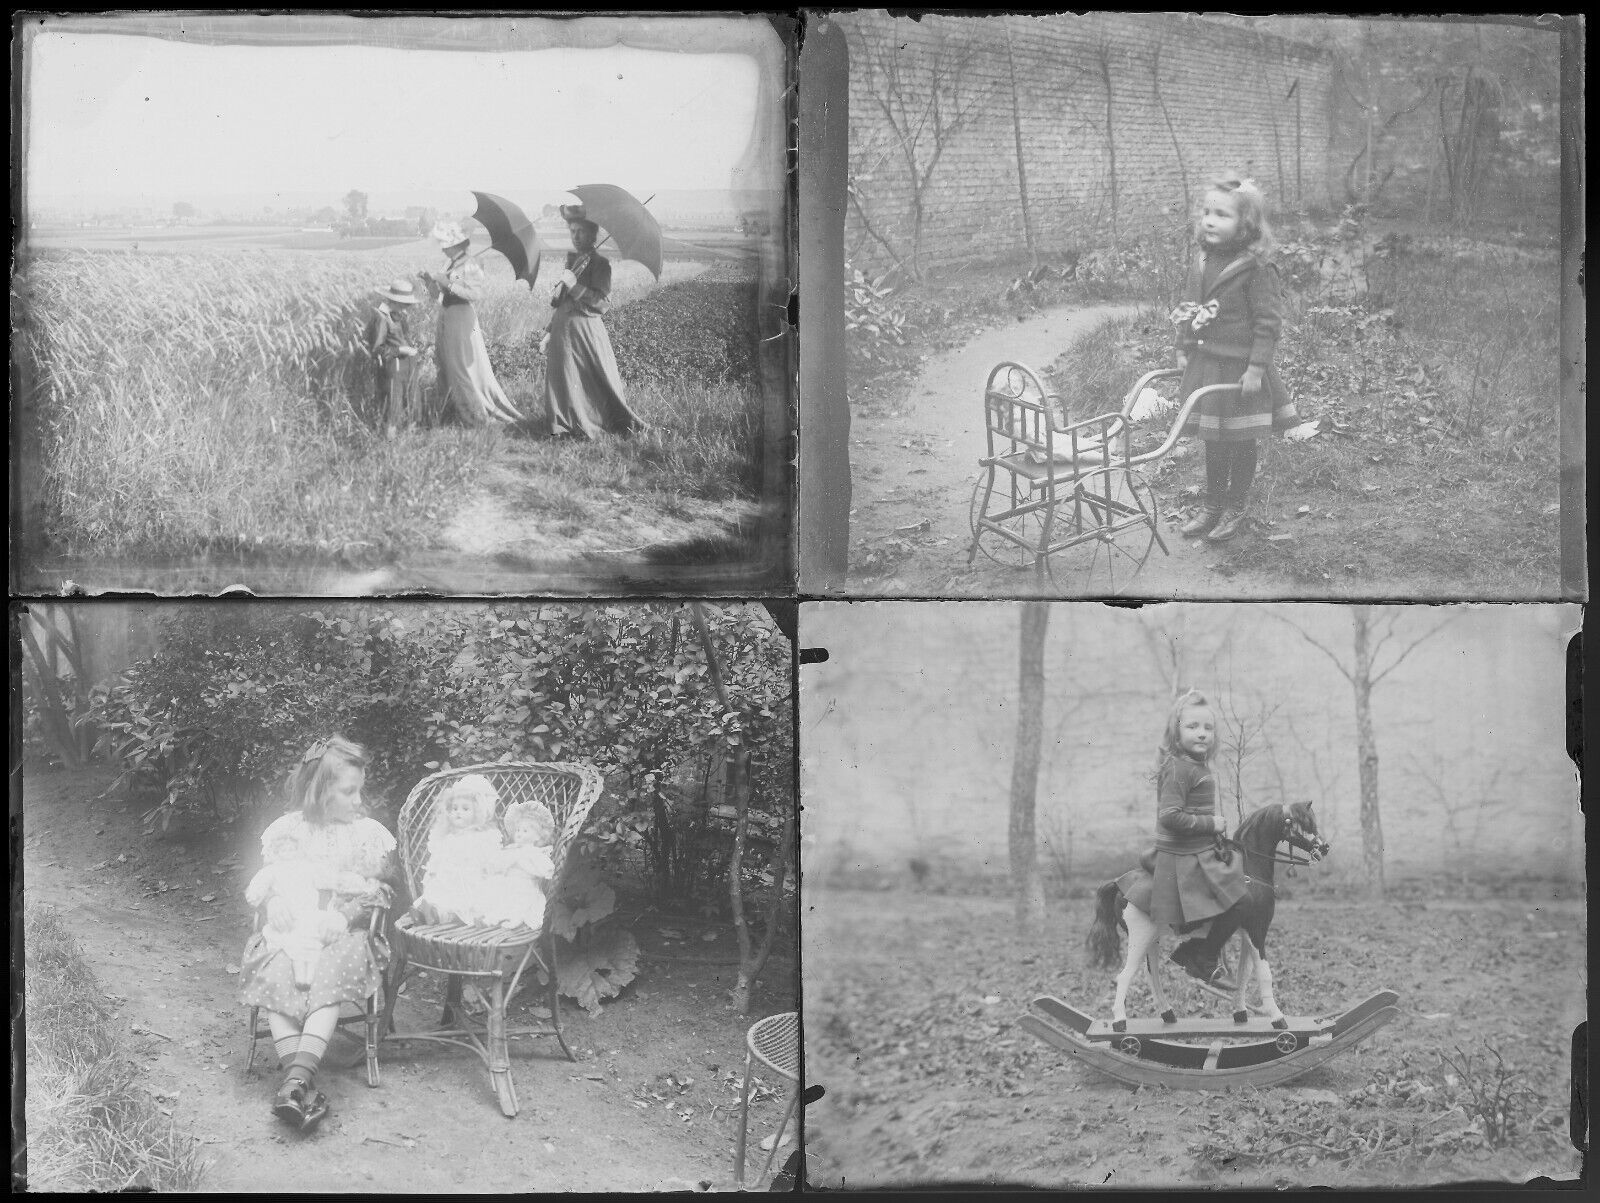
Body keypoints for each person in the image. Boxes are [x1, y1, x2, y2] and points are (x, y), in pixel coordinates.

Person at [238, 736, 396, 1133]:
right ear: (318, 791)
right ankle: (298, 1085)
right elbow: (270, 880)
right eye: (349, 792)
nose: (359, 800)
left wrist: (346, 915)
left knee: (326, 974)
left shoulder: (366, 835)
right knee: (277, 972)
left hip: (344, 934)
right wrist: (273, 902)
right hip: (291, 933)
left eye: (360, 790)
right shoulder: (288, 832)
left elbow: (383, 891)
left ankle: (294, 1083)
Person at [1172, 175, 1298, 543]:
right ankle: (1213, 503)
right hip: (1209, 366)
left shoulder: (1256, 269)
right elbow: (1191, 307)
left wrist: (1257, 367)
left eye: (1222, 215)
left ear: (1245, 225)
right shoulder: (1204, 260)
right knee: (1214, 440)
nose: (1210, 220)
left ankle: (1236, 505)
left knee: (1241, 441)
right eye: (1207, 213)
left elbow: (1267, 324)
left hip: (1242, 372)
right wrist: (1183, 344)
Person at [1115, 690, 1247, 980]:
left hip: (1198, 850)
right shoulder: (1178, 768)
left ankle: (1198, 948)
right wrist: (1210, 824)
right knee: (1239, 900)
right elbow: (1169, 816)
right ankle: (1201, 955)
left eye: (1208, 728)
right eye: (1192, 727)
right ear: (1176, 732)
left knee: (1239, 882)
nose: (1202, 734)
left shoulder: (1195, 766)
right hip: (1184, 857)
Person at [542, 204, 646, 439]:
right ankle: (563, 423)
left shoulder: (601, 265)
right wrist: (549, 331)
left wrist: (573, 285)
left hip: (584, 332)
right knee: (564, 377)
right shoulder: (573, 261)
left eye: (581, 232)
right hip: (563, 331)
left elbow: (601, 303)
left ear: (592, 235)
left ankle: (588, 420)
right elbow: (561, 302)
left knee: (587, 381)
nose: (575, 237)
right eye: (572, 231)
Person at [418, 221, 522, 427]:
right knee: (446, 361)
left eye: (446, 244)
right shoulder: (450, 264)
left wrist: (448, 282)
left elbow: (475, 293)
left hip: (461, 317)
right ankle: (453, 408)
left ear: (457, 244)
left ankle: (473, 414)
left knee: (461, 365)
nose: (443, 248)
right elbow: (438, 295)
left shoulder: (471, 263)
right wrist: (430, 282)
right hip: (446, 313)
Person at [411, 774, 504, 926]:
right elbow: (438, 857)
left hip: (471, 880)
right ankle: (428, 912)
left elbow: (490, 859)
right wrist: (433, 872)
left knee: (464, 903)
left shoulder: (482, 837)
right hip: (447, 880)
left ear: (477, 813)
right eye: (454, 808)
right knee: (439, 896)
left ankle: (442, 916)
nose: (458, 812)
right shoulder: (447, 837)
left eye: (465, 808)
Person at [480, 800, 557, 931]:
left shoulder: (534, 852)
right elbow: (501, 862)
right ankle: (490, 919)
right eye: (518, 830)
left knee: (520, 899)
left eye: (525, 830)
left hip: (526, 885)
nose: (519, 833)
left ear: (538, 836)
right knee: (497, 895)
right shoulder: (512, 849)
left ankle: (516, 919)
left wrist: (546, 869)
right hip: (508, 882)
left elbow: (545, 868)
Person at [364, 278, 420, 438]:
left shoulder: (399, 315)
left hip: (408, 365)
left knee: (413, 403)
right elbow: (375, 349)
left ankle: (409, 444)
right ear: (393, 301)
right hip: (393, 368)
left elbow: (404, 337)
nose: (407, 309)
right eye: (404, 305)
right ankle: (389, 447)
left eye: (408, 305)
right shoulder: (381, 318)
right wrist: (399, 350)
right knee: (392, 409)